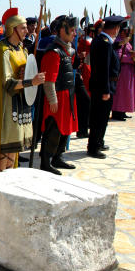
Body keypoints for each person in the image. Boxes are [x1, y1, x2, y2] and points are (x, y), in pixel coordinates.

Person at [0, 8, 45, 172]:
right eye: (23, 27)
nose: (27, 30)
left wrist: (29, 76)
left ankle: (9, 179)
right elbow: (7, 82)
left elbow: (23, 73)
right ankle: (0, 180)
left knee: (14, 148)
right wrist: (31, 81)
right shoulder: (3, 51)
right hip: (7, 105)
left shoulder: (23, 50)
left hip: (21, 102)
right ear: (13, 29)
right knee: (5, 147)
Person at [39, 16, 78, 175]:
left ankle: (58, 157)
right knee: (54, 129)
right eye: (72, 30)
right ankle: (46, 161)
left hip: (68, 95)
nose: (75, 33)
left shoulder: (68, 51)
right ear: (63, 30)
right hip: (57, 97)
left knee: (65, 129)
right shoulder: (53, 52)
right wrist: (52, 99)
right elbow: (49, 79)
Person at [87, 15, 124, 159]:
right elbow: (103, 69)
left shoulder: (102, 41)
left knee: (102, 116)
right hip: (103, 86)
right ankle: (94, 147)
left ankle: (99, 141)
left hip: (103, 85)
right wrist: (106, 90)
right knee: (99, 118)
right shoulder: (104, 43)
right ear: (115, 29)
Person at [111, 27, 135, 121]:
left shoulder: (127, 41)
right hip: (122, 70)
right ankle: (117, 112)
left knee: (126, 92)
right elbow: (118, 55)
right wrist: (130, 58)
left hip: (128, 70)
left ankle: (123, 111)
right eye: (125, 31)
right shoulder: (118, 42)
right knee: (121, 91)